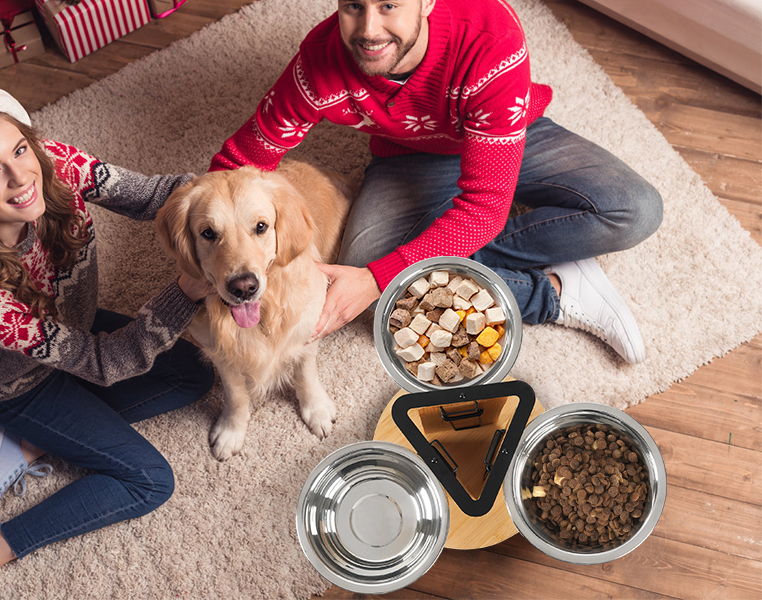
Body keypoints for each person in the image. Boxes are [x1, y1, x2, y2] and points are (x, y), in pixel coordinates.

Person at [0, 86, 214, 600]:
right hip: (15, 384)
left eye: (18, 150)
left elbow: (154, 196)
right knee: (149, 481)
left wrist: (235, 199)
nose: (21, 177)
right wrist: (187, 291)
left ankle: (35, 440)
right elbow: (105, 363)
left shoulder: (51, 165)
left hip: (73, 332)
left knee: (195, 371)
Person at [211, 0, 663, 363]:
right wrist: (204, 246)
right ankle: (557, 292)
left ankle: (534, 284)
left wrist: (381, 275)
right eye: (353, 6)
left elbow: (484, 207)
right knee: (365, 292)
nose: (368, 28)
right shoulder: (321, 60)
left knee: (634, 209)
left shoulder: (491, 37)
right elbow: (239, 160)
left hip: (501, 136)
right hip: (408, 157)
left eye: (389, 5)